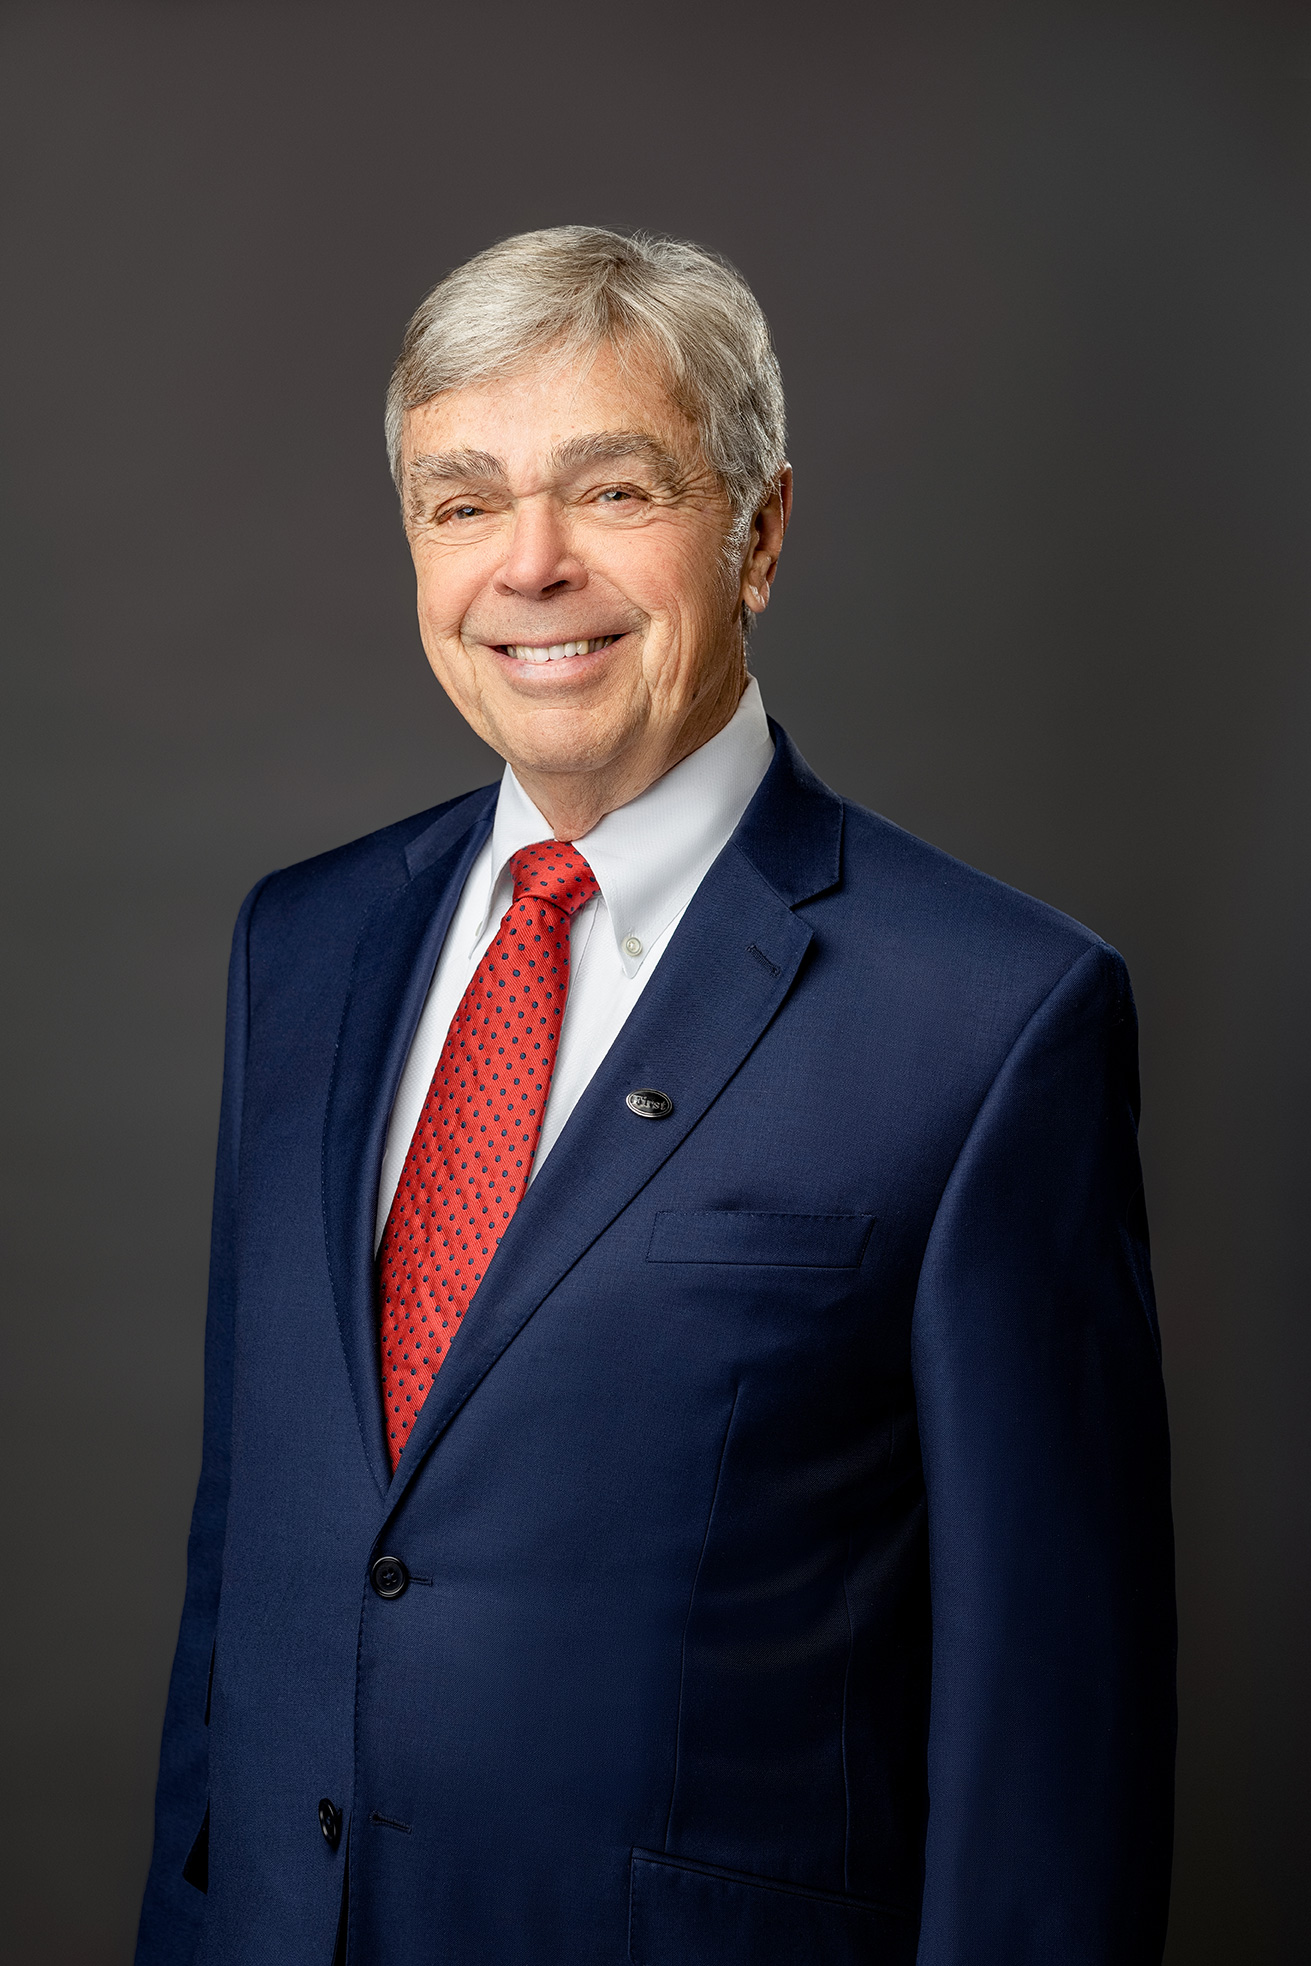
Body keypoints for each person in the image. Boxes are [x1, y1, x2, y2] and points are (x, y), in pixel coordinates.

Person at [135, 227, 1175, 1966]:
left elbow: (1054, 1735)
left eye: (610, 491)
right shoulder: (302, 946)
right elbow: (254, 1563)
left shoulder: (996, 1018)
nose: (528, 567)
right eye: (461, 503)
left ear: (759, 531)